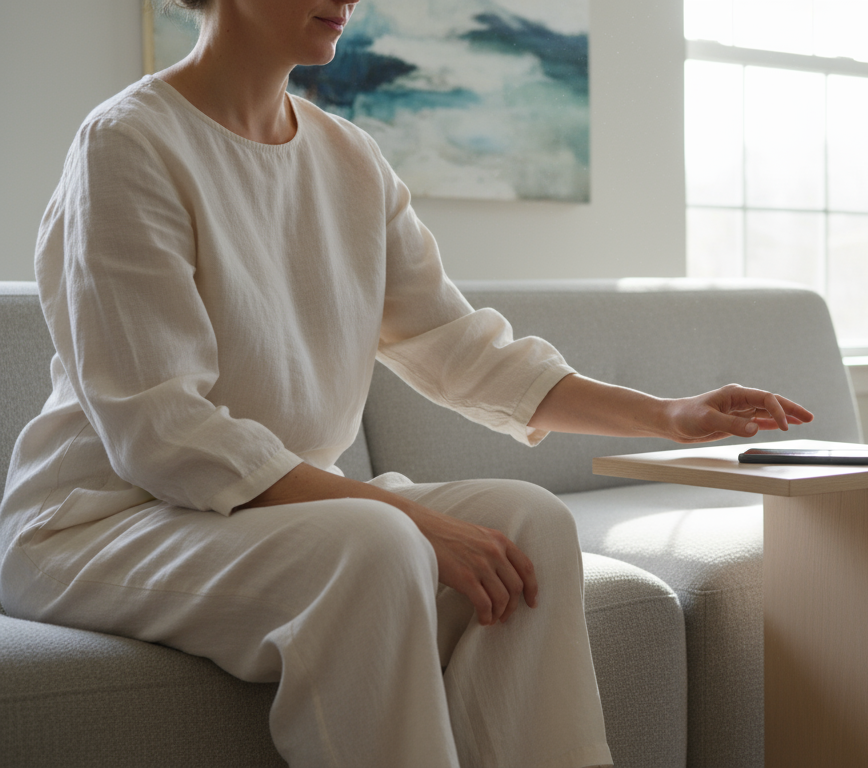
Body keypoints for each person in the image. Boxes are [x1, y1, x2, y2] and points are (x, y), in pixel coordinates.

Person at [0, 1, 814, 766]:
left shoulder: (349, 159)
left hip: (274, 515)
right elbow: (166, 431)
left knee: (530, 522)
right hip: (102, 522)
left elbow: (459, 346)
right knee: (376, 543)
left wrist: (667, 415)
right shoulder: (128, 145)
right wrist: (410, 516)